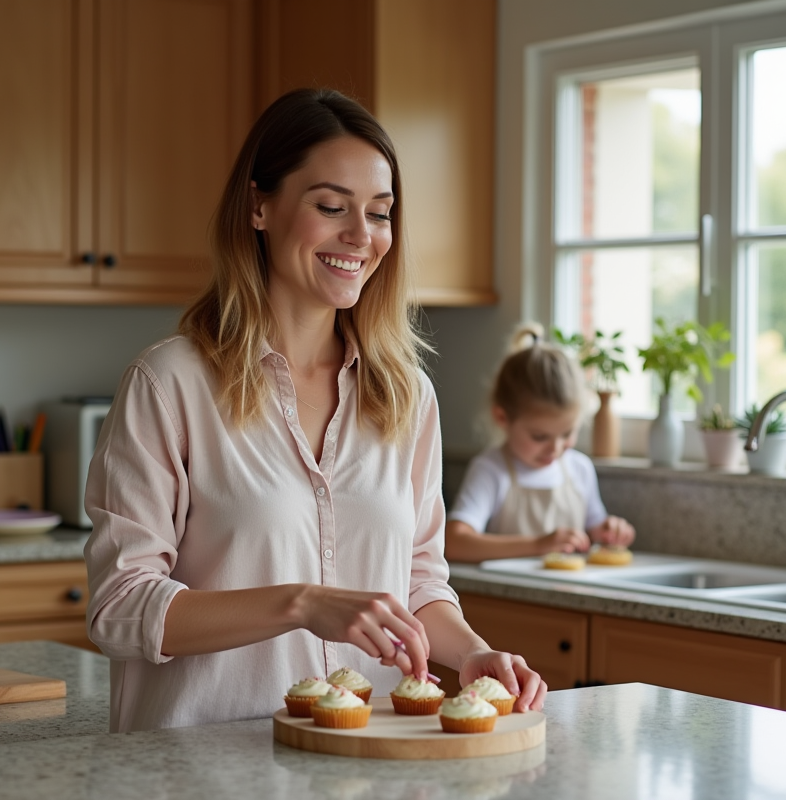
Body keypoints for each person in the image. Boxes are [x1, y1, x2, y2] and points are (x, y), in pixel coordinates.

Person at [84, 88, 547, 732]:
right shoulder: (170, 383)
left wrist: (472, 653)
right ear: (259, 206)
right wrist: (302, 604)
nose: (361, 236)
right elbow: (119, 607)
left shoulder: (407, 397)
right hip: (201, 772)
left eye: (380, 213)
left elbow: (418, 583)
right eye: (331, 206)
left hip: (364, 762)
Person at [444, 323, 636, 563]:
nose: (555, 448)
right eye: (540, 437)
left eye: (567, 434)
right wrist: (537, 544)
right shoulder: (491, 470)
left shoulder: (580, 469)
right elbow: (454, 543)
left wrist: (609, 531)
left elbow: (595, 530)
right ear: (502, 417)